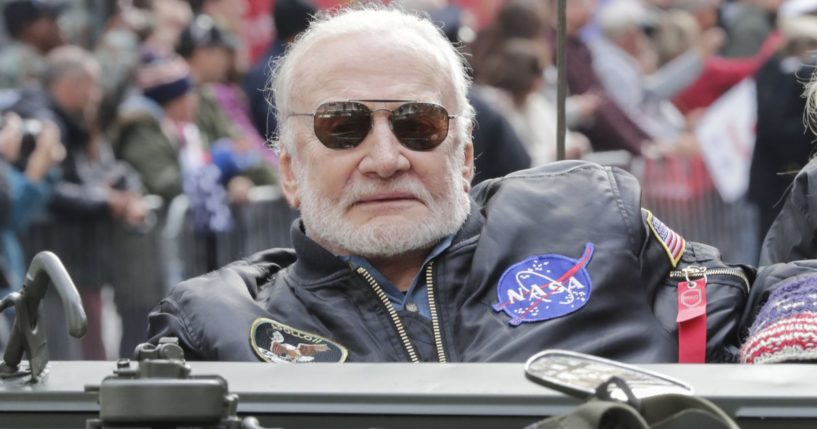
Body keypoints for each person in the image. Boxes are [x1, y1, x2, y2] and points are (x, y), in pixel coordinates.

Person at [147, 5, 817, 364]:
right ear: (289, 169)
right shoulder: (218, 323)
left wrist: (793, 311)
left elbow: (752, 297)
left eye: (418, 125)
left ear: (465, 154)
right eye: (342, 127)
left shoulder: (589, 216)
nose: (384, 158)